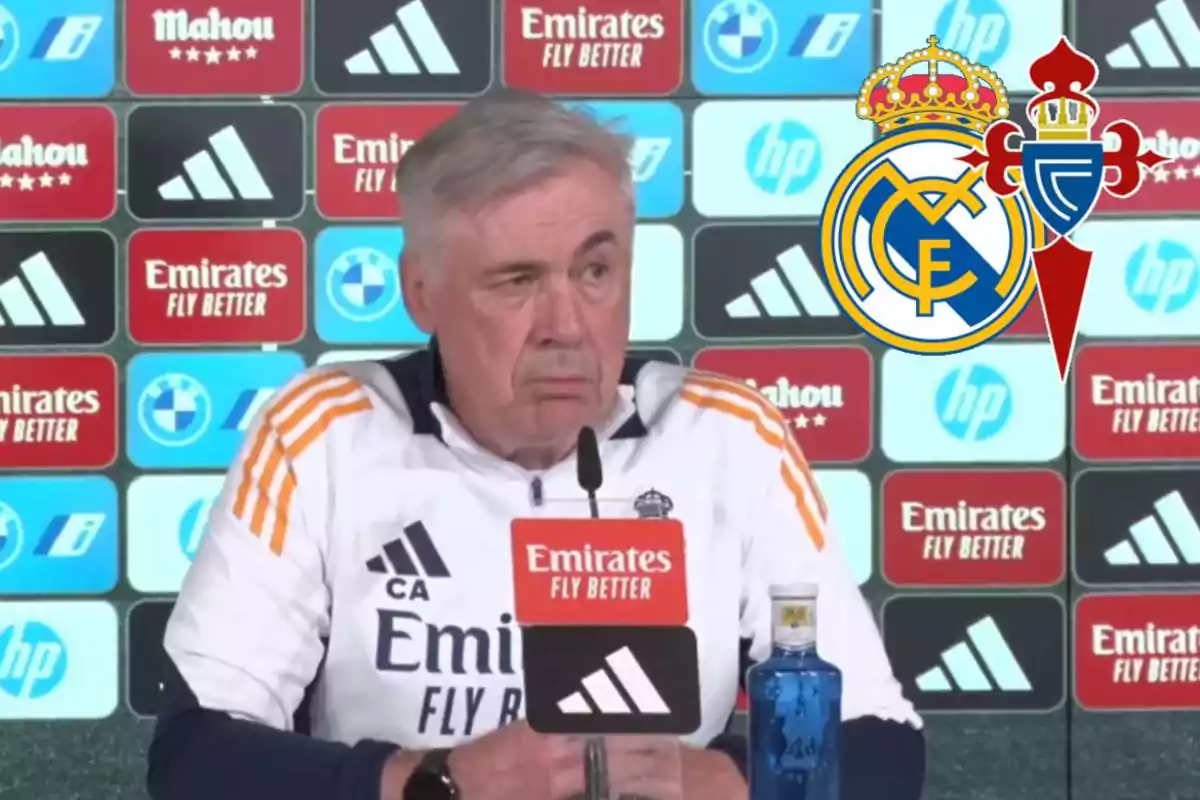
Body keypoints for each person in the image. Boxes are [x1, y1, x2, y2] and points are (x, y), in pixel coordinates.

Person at [146, 89, 925, 800]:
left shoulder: (729, 436)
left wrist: (713, 779)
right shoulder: (323, 433)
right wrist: (438, 783)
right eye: (516, 281)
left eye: (595, 269)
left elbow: (883, 751)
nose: (567, 324)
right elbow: (197, 760)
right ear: (421, 290)